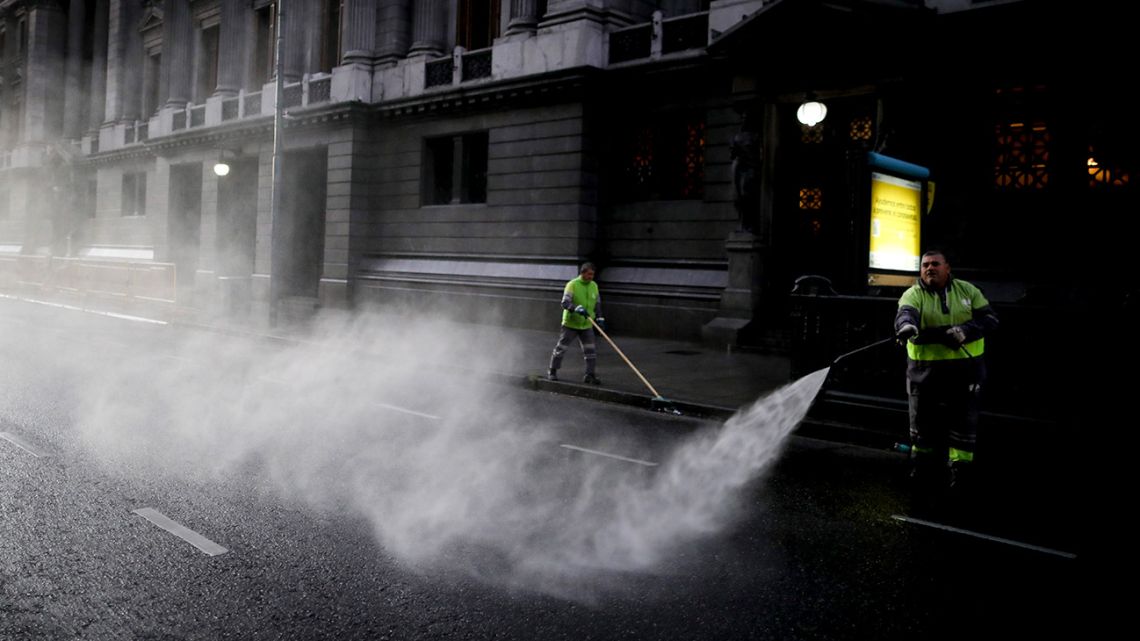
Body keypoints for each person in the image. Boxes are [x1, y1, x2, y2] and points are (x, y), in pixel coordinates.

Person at [894, 250, 999, 490]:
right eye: (925, 265)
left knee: (963, 423)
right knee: (922, 423)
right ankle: (921, 467)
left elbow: (990, 320)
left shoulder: (968, 291)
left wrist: (966, 330)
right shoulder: (913, 294)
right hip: (924, 373)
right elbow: (906, 313)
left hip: (965, 371)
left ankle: (960, 470)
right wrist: (907, 326)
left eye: (935, 264)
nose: (929, 268)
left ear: (947, 268)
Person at [548, 262, 606, 385]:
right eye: (589, 274)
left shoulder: (594, 286)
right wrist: (575, 309)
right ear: (583, 273)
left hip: (586, 324)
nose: (591, 277)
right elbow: (564, 303)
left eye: (593, 274)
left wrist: (600, 318)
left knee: (590, 351)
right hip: (570, 324)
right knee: (561, 348)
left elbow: (597, 304)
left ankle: (589, 375)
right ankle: (552, 371)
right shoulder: (572, 285)